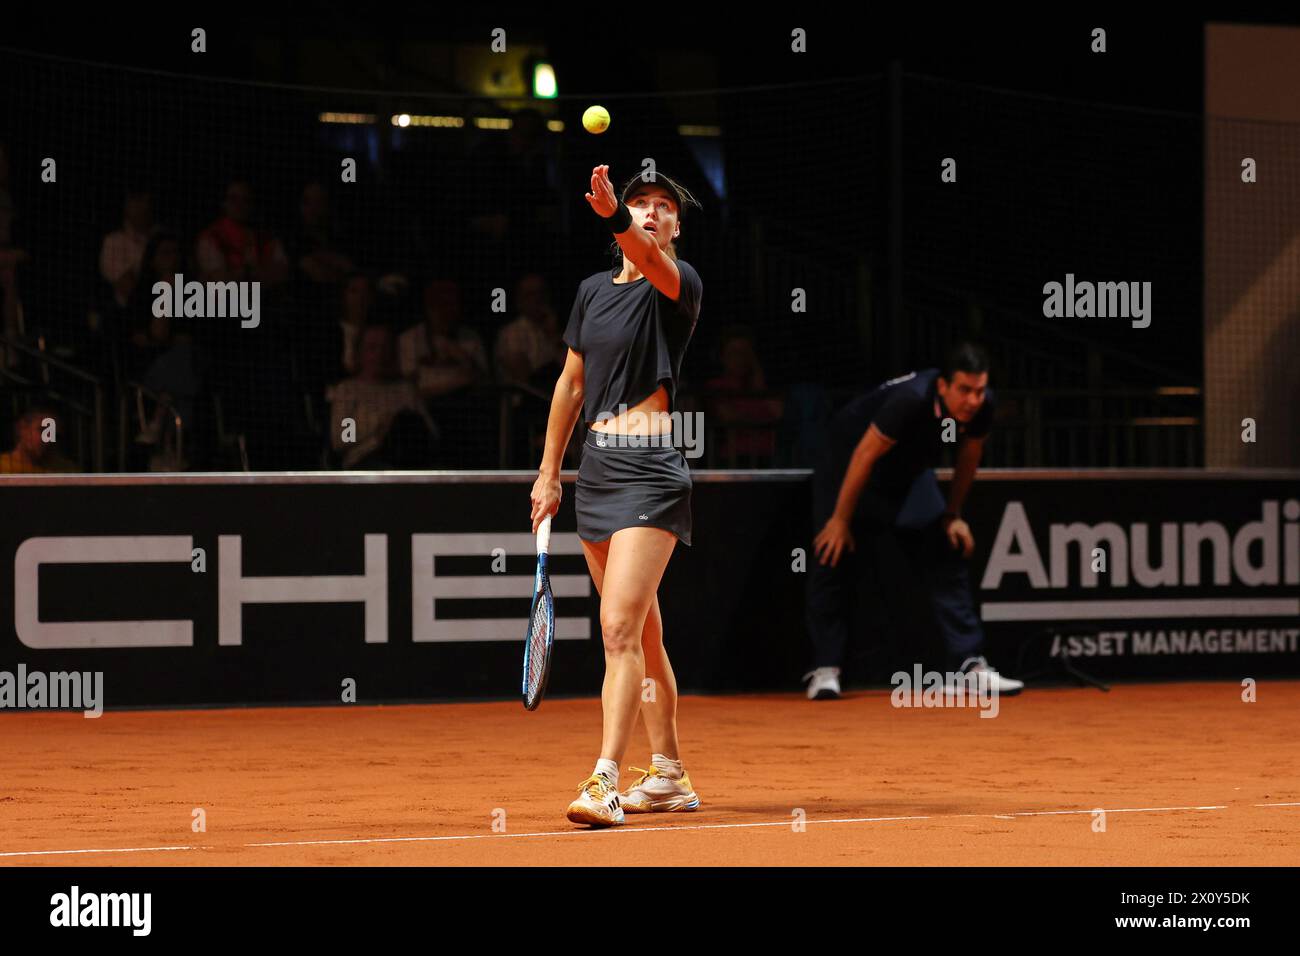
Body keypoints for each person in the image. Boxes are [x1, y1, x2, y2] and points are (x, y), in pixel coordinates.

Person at [530, 166, 703, 827]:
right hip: (597, 472)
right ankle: (668, 774)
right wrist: (550, 472)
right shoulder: (591, 293)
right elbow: (571, 385)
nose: (653, 212)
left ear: (676, 227)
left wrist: (616, 218)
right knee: (646, 637)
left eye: (664, 207)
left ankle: (604, 778)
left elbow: (647, 256)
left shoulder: (677, 286)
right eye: (641, 203)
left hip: (651, 469)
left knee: (618, 628)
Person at [803, 342, 1024, 700]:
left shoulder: (982, 407)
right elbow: (864, 455)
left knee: (943, 545)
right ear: (943, 387)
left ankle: (969, 664)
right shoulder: (910, 400)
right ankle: (826, 669)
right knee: (833, 551)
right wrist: (841, 519)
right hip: (848, 462)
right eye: (964, 390)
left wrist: (953, 515)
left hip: (906, 469)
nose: (973, 400)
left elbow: (969, 456)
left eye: (979, 391)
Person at [0, 406, 79, 473]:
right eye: (43, 430)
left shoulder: (67, 470)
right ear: (22, 428)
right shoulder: (3, 467)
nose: (49, 439)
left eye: (55, 435)